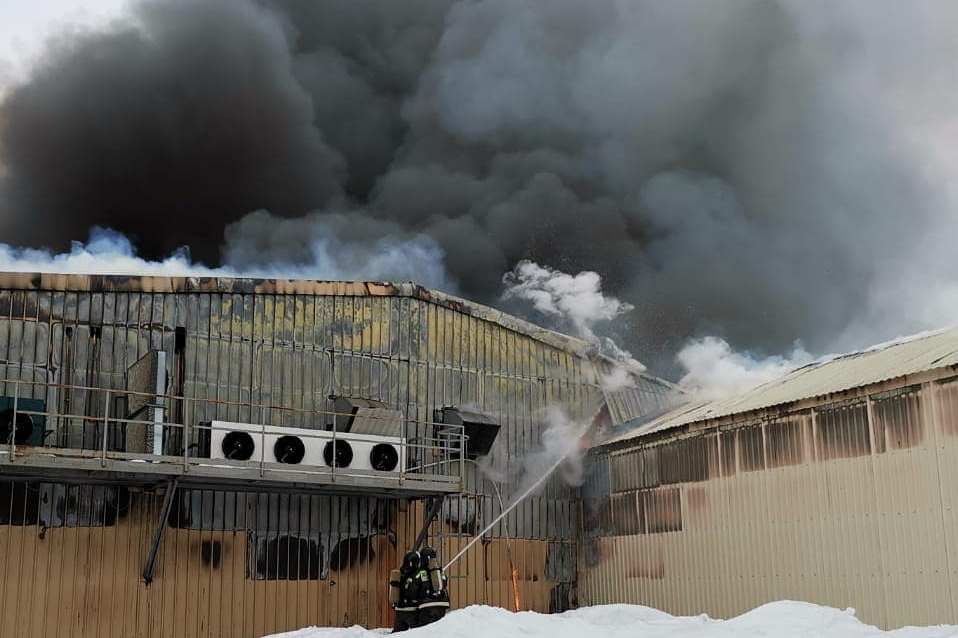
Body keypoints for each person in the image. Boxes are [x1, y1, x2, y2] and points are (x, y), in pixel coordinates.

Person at [416, 546, 450, 625]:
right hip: (442, 605)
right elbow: (444, 582)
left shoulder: (419, 572)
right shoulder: (439, 571)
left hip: (426, 606)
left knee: (426, 630)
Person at [391, 550, 423, 632]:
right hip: (412, 610)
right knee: (418, 633)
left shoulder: (400, 573)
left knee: (397, 634)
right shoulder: (418, 573)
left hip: (399, 610)